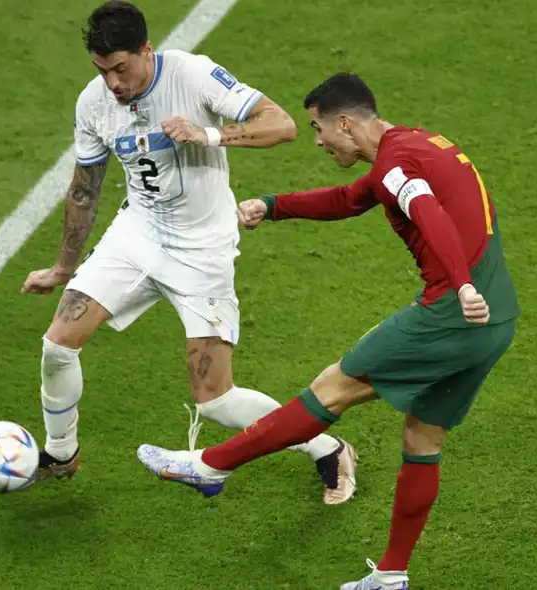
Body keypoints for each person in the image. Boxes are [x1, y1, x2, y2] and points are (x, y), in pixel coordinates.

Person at [136, 72, 522, 590]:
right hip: (497, 318)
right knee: (422, 437)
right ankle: (390, 578)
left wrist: (462, 285)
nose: (317, 141)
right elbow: (351, 199)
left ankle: (212, 465)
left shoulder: (393, 167)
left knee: (332, 387)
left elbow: (427, 212)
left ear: (345, 122)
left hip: (455, 310)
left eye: (319, 129)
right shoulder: (415, 144)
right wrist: (272, 206)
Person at [21, 1, 357, 505]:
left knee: (215, 399)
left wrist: (209, 134)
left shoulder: (192, 74)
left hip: (202, 252)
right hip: (136, 236)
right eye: (101, 70)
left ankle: (328, 447)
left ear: (145, 50)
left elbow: (282, 124)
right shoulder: (93, 104)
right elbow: (85, 188)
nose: (113, 83)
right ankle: (62, 453)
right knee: (58, 344)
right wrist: (64, 267)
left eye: (120, 67)